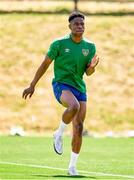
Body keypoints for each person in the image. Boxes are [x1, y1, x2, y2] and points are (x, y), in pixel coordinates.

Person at [22, 11, 99, 176]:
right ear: (69, 26)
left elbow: (88, 73)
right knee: (73, 106)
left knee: (78, 127)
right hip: (61, 85)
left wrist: (92, 67)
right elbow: (45, 64)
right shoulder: (59, 44)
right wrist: (32, 85)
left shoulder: (90, 47)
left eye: (82, 24)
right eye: (76, 24)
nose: (80, 26)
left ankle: (72, 168)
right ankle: (59, 133)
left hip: (80, 88)